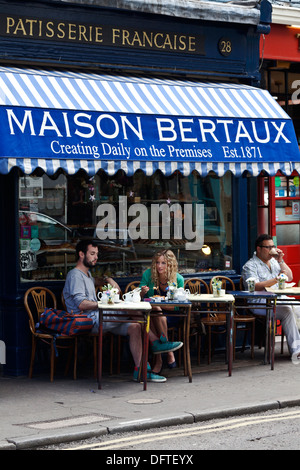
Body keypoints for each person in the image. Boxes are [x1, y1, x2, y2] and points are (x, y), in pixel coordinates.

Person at [63, 240, 183, 383]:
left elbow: (96, 281)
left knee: (135, 327)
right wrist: (105, 303)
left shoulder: (86, 275)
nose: (96, 257)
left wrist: (108, 279)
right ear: (81, 254)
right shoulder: (75, 275)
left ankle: (142, 371)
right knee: (129, 308)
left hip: (98, 317)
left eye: (97, 254)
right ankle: (156, 342)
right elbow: (81, 304)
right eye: (92, 254)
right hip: (89, 321)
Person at [241, 234, 300, 361]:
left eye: (273, 246)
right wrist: (275, 280)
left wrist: (280, 260)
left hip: (279, 299)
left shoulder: (274, 262)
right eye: (268, 247)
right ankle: (297, 351)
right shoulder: (250, 266)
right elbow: (255, 286)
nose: (271, 250)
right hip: (259, 302)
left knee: (297, 307)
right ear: (259, 248)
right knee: (287, 311)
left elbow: (289, 277)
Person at [140, 249, 184, 374]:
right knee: (155, 312)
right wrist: (142, 292)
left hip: (172, 315)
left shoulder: (178, 279)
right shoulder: (148, 275)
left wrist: (158, 303)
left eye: (163, 263)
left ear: (170, 264)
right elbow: (139, 296)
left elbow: (176, 307)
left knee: (155, 311)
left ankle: (159, 360)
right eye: (157, 263)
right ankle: (168, 350)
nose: (159, 266)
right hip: (153, 314)